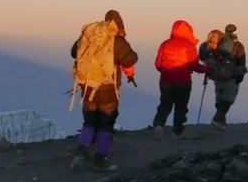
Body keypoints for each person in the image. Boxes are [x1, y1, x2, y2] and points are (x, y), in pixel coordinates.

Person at [69, 9, 139, 170]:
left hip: (87, 86)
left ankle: (81, 153)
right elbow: (131, 59)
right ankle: (100, 158)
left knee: (89, 121)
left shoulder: (88, 36)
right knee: (106, 123)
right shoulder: (116, 40)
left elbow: (74, 52)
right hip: (107, 88)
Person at [152, 20, 205, 137]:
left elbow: (158, 64)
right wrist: (206, 69)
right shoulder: (188, 45)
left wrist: (166, 71)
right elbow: (194, 65)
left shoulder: (165, 44)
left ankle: (159, 125)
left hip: (166, 80)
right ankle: (177, 131)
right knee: (181, 106)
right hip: (183, 82)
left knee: (165, 104)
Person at [199, 24, 248, 128]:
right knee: (228, 99)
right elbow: (241, 62)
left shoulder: (214, 45)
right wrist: (240, 77)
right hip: (230, 76)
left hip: (216, 76)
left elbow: (202, 57)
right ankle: (217, 119)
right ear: (236, 32)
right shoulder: (238, 45)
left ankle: (221, 123)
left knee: (220, 99)